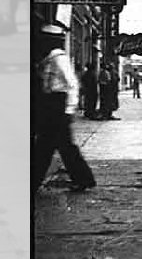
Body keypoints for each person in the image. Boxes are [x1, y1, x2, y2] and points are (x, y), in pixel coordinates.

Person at [32, 24, 96, 193]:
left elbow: (72, 83)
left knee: (51, 146)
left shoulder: (59, 58)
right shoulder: (49, 58)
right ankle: (83, 179)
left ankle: (83, 179)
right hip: (51, 104)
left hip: (58, 105)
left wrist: (69, 109)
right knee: (54, 145)